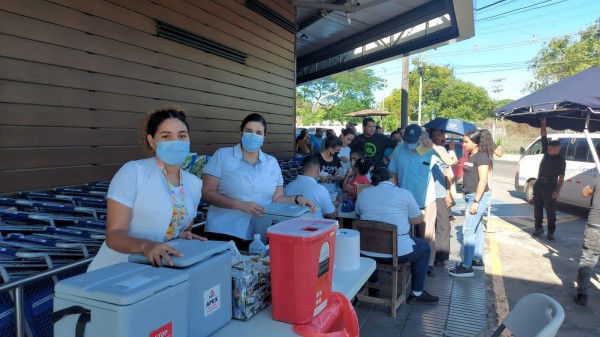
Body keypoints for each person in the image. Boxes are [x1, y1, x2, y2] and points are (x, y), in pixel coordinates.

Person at [88, 107, 205, 271]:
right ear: (152, 141)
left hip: (161, 271)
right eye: (166, 136)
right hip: (117, 270)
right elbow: (114, 235)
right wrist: (146, 246)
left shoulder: (194, 184)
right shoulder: (134, 172)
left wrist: (181, 237)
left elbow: (183, 228)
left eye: (182, 135)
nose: (176, 142)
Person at [201, 113, 315, 251]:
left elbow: (277, 197)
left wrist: (297, 199)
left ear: (264, 136)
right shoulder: (222, 156)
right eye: (249, 131)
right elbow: (206, 192)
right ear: (241, 132)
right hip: (224, 231)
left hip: (259, 233)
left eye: (258, 132)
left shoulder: (271, 162)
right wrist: (239, 205)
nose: (253, 135)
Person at [355, 168, 439, 303]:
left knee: (374, 238)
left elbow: (358, 214)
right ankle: (417, 292)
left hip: (366, 251)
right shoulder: (404, 193)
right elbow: (417, 220)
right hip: (396, 253)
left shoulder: (364, 193)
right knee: (424, 247)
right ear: (392, 179)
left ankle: (374, 283)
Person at [389, 124, 456, 276]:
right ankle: (405, 261)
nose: (409, 144)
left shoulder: (429, 150)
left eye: (413, 140)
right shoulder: (400, 149)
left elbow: (450, 161)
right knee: (404, 232)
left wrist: (434, 146)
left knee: (427, 234)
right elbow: (393, 172)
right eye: (407, 140)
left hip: (426, 198)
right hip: (404, 199)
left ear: (420, 138)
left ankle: (428, 264)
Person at [449, 129, 494, 277]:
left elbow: (483, 180)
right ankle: (476, 259)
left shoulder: (481, 156)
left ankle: (467, 267)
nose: (463, 144)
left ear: (475, 143)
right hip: (470, 195)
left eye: (466, 141)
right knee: (477, 229)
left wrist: (476, 201)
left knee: (468, 231)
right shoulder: (471, 155)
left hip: (477, 197)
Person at [532, 117, 566, 240]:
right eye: (549, 149)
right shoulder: (547, 151)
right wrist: (544, 124)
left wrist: (558, 190)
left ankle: (551, 231)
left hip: (551, 186)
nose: (549, 151)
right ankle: (538, 227)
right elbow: (543, 136)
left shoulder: (561, 160)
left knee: (550, 210)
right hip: (539, 183)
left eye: (551, 149)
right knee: (537, 208)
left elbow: (561, 177)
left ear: (558, 149)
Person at [429, 128, 455, 267]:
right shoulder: (425, 149)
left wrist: (448, 192)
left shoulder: (442, 150)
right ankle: (435, 256)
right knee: (433, 226)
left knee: (443, 225)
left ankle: (441, 255)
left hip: (439, 192)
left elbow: (447, 171)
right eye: (433, 135)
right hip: (428, 192)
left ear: (443, 136)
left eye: (438, 134)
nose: (436, 137)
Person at [284, 155, 338, 219]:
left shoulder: (289, 186)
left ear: (301, 169)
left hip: (292, 226)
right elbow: (332, 215)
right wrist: (334, 205)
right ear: (318, 170)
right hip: (316, 227)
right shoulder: (320, 189)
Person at [575, 172, 600, 306]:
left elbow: (585, 192)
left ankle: (582, 294)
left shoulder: (599, 176)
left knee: (588, 261)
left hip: (595, 225)